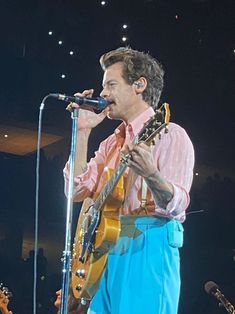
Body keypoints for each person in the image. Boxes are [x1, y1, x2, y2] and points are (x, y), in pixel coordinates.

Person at [63, 47, 195, 314]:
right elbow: (75, 190)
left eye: (111, 84)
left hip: (147, 245)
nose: (103, 94)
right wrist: (82, 131)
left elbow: (177, 204)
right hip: (103, 250)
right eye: (103, 86)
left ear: (139, 85)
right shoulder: (111, 143)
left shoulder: (170, 134)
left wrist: (152, 175)